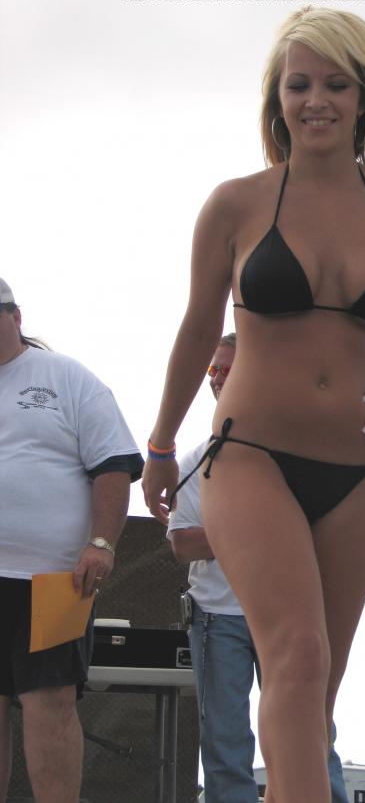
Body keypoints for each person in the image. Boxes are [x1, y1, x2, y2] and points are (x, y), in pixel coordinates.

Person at [143, 7, 365, 803]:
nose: (316, 100)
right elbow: (196, 329)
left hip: (355, 472)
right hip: (252, 457)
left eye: (335, 84)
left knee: (316, 696)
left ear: (363, 97)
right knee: (298, 655)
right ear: (276, 98)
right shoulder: (236, 204)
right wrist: (160, 445)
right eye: (299, 85)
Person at [167, 332, 349, 803]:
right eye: (212, 370)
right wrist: (262, 532)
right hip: (217, 617)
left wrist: (240, 531)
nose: (216, 378)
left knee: (313, 730)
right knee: (225, 743)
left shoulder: (303, 453)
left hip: (291, 613)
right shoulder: (196, 460)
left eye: (227, 369)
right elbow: (182, 543)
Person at [0, 277, 144, 803]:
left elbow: (114, 464)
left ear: (16, 317)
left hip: (54, 577)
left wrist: (101, 543)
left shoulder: (64, 376)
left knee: (51, 704)